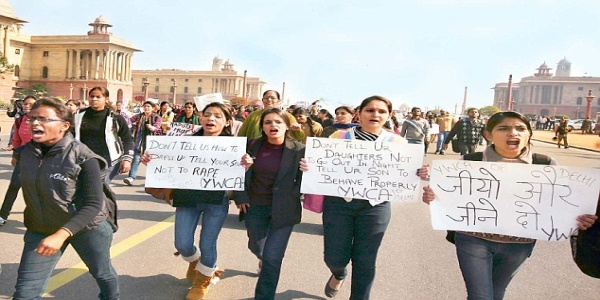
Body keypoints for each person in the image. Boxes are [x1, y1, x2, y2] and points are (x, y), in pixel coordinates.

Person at [422, 111, 598, 300]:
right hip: (473, 241)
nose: (513, 133)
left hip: (518, 245)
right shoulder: (469, 162)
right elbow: (448, 194)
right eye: (503, 128)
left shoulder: (545, 164)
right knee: (480, 296)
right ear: (488, 134)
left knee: (497, 293)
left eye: (520, 128)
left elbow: (565, 202)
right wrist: (434, 195)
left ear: (529, 134)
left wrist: (582, 218)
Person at [318, 96, 428, 299]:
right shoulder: (338, 138)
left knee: (365, 260)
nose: (375, 115)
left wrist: (419, 172)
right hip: (339, 205)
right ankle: (339, 273)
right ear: (359, 113)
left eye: (381, 111)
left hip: (375, 208)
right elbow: (321, 166)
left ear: (389, 115)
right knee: (334, 257)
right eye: (370, 110)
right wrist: (311, 167)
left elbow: (406, 173)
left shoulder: (398, 143)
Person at [141, 102, 253, 300]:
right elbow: (164, 161)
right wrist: (151, 158)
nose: (211, 119)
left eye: (217, 116)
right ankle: (196, 262)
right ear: (200, 118)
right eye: (207, 114)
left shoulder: (235, 147)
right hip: (187, 199)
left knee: (208, 243)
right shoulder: (183, 142)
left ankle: (202, 282)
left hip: (216, 201)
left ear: (227, 121)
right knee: (182, 244)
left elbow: (242, 176)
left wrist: (246, 164)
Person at [12, 98, 119, 300]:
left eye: (43, 119)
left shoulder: (85, 157)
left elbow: (94, 204)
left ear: (64, 125)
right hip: (41, 228)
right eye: (32, 118)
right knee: (24, 294)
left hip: (87, 227)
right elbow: (14, 186)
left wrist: (62, 234)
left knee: (102, 273)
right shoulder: (26, 153)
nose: (35, 123)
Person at [234, 108, 305, 299]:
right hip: (255, 206)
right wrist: (240, 197)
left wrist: (308, 172)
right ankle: (261, 259)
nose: (273, 125)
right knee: (256, 247)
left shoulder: (299, 150)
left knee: (273, 257)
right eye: (268, 122)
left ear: (287, 126)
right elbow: (236, 173)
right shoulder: (251, 145)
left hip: (284, 209)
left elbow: (304, 182)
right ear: (262, 127)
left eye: (278, 122)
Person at [73, 87, 134, 184]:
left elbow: (127, 139)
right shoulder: (78, 116)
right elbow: (69, 135)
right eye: (92, 96)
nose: (94, 99)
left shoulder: (115, 117)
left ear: (106, 99)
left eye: (98, 97)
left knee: (98, 189)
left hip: (108, 160)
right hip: (82, 159)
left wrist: (127, 159)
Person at [0, 96, 36, 226]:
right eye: (25, 104)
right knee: (14, 186)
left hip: (41, 159)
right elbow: (16, 140)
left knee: (38, 189)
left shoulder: (43, 120)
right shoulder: (20, 120)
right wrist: (15, 156)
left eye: (31, 104)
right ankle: (3, 215)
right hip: (24, 157)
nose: (27, 106)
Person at [237, 90, 305, 142]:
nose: (269, 100)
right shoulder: (253, 115)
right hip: (254, 150)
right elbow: (242, 134)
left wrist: (297, 131)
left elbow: (299, 137)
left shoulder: (287, 116)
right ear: (262, 100)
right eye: (266, 98)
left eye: (272, 98)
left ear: (278, 101)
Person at [123, 101, 162, 186]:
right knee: (136, 159)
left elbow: (158, 126)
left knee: (152, 161)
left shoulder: (156, 117)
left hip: (152, 143)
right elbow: (129, 121)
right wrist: (124, 117)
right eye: (145, 106)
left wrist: (153, 127)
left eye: (148, 106)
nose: (146, 108)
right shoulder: (139, 116)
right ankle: (131, 177)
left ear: (152, 108)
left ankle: (156, 178)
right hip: (139, 141)